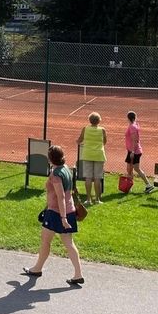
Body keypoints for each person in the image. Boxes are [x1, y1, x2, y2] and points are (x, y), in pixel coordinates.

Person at [23, 145, 84, 285]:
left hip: (56, 213)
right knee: (69, 243)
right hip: (69, 211)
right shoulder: (66, 169)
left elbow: (60, 196)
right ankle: (78, 274)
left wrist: (62, 218)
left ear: (50, 159)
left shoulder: (55, 174)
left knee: (45, 241)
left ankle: (37, 268)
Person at [77, 112, 107, 204]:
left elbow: (80, 140)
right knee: (97, 178)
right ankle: (97, 199)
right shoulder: (102, 130)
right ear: (99, 121)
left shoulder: (85, 129)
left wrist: (78, 142)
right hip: (99, 154)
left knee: (88, 178)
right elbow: (105, 142)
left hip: (87, 154)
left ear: (90, 120)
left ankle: (88, 199)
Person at [124, 111, 154, 193]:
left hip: (134, 152)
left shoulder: (132, 127)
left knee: (136, 169)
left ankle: (148, 185)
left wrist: (133, 152)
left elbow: (135, 140)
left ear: (128, 118)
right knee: (129, 169)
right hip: (131, 151)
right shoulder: (133, 125)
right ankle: (129, 188)